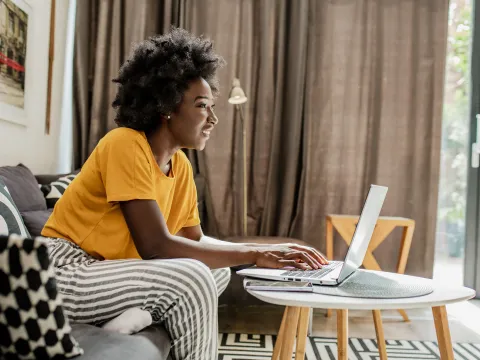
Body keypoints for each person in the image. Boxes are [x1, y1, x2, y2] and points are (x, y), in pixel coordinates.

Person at [42, 27, 328, 360]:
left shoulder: (180, 166)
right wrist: (252, 254)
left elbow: (195, 239)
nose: (213, 119)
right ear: (166, 107)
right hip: (63, 272)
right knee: (192, 276)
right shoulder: (125, 144)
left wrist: (268, 250)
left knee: (215, 270)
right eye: (202, 106)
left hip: (109, 271)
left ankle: (134, 315)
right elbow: (155, 245)